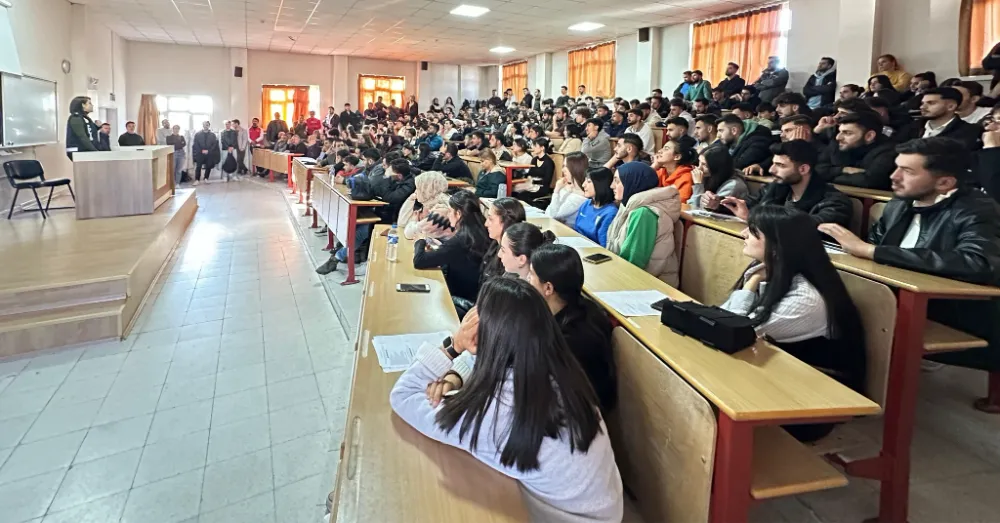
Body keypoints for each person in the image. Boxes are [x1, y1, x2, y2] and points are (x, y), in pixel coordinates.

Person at [391, 277, 624, 523]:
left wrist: (454, 346)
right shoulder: (559, 371)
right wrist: (456, 375)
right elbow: (491, 362)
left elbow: (403, 395)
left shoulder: (497, 411)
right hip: (603, 511)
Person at [819, 138, 1000, 406]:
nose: (893, 177)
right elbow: (874, 245)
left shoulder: (977, 209)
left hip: (955, 310)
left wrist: (871, 252)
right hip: (896, 294)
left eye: (908, 171)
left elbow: (978, 262)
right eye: (896, 167)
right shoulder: (901, 202)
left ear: (945, 183)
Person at [723, 205, 867, 441]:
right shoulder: (774, 272)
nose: (743, 234)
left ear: (778, 247)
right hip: (779, 381)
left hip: (809, 405)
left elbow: (732, 332)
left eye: (753, 231)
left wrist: (752, 282)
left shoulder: (806, 299)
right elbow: (723, 317)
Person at [722, 140, 852, 227]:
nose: (772, 170)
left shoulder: (836, 202)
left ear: (803, 169)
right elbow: (746, 203)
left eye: (780, 165)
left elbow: (805, 228)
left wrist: (753, 218)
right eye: (773, 163)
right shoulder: (775, 188)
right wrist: (720, 203)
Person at [606, 161, 682, 285]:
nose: (612, 186)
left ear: (632, 182)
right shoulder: (629, 206)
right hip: (633, 278)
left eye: (617, 181)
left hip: (652, 286)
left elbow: (633, 261)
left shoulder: (643, 213)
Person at [413, 190, 491, 303]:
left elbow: (419, 261)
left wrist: (420, 240)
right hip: (474, 292)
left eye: (450, 211)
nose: (448, 215)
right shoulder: (480, 230)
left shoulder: (462, 239)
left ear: (458, 214)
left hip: (459, 296)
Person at [815, 112, 899, 189]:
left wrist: (829, 175)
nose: (838, 137)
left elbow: (869, 181)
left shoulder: (888, 151)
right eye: (839, 132)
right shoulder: (838, 145)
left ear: (869, 136)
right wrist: (843, 170)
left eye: (847, 133)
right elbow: (816, 171)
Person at [901, 87, 982, 149]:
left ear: (951, 106)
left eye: (931, 103)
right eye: (922, 103)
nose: (922, 107)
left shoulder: (969, 131)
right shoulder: (912, 126)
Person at [482, 197, 527, 286]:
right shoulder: (495, 243)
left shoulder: (511, 259)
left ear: (506, 222)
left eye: (491, 219)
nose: (486, 224)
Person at [574, 167, 619, 247]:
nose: (583, 185)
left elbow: (604, 245)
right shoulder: (586, 204)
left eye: (588, 181)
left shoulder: (610, 213)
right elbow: (576, 230)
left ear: (600, 184)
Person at [399, 171, 450, 239]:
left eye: (418, 188)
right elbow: (402, 223)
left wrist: (414, 220)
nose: (415, 191)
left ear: (427, 190)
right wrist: (410, 199)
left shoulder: (440, 208)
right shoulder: (428, 203)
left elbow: (409, 234)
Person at [546, 151, 589, 225]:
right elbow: (548, 212)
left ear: (575, 168)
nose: (563, 170)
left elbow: (552, 215)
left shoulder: (580, 196)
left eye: (566, 166)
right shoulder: (566, 188)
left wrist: (556, 191)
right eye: (563, 166)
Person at [513, 137, 555, 206]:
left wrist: (532, 182)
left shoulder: (549, 162)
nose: (533, 148)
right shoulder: (534, 159)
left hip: (541, 187)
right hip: (531, 184)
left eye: (535, 146)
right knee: (514, 190)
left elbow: (547, 180)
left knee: (522, 195)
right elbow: (529, 173)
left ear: (542, 148)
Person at [192, 121, 220, 185]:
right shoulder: (198, 134)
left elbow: (214, 144)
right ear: (203, 125)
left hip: (209, 153)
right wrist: (201, 150)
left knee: (208, 166)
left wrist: (208, 151)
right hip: (200, 153)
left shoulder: (212, 135)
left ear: (209, 126)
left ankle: (206, 178)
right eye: (204, 125)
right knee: (198, 166)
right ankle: (197, 179)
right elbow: (196, 144)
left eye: (207, 125)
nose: (205, 126)